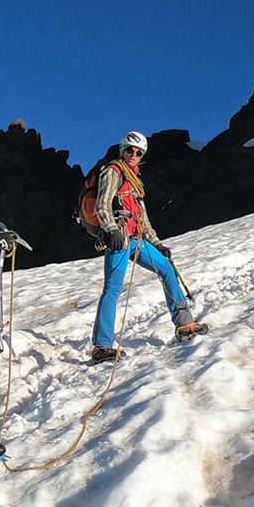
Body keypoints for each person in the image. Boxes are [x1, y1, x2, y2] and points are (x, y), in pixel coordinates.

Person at [87, 130, 204, 361]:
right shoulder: (113, 171)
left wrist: (158, 245)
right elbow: (102, 205)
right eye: (130, 150)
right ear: (122, 151)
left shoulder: (135, 180)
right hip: (119, 239)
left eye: (138, 152)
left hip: (138, 239)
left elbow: (142, 218)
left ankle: (184, 324)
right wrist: (111, 230)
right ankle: (102, 345)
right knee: (113, 288)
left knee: (167, 269)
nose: (134, 154)